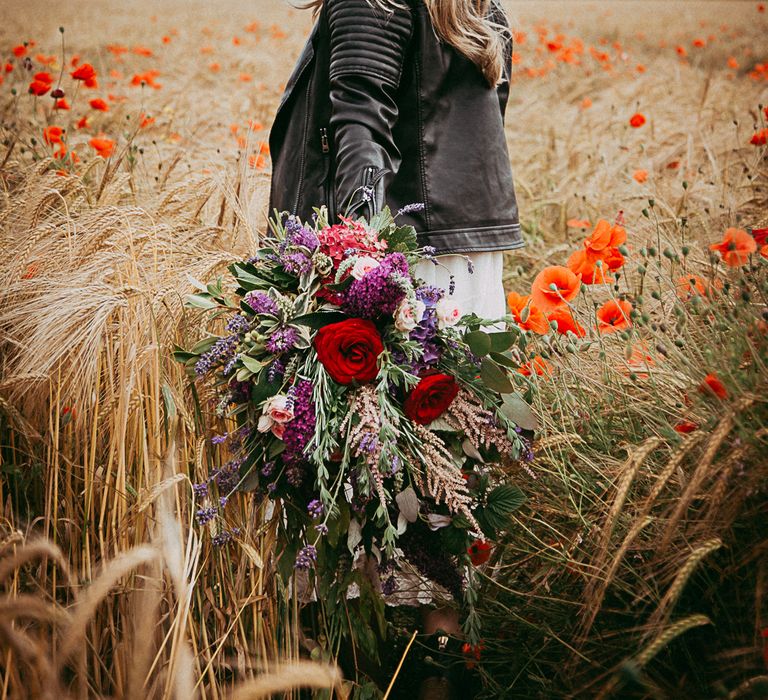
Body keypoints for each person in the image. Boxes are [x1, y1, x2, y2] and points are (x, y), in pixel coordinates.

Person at [266, 0, 523, 695]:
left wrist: (355, 264)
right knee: (438, 497)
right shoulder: (475, 2)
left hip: (393, 268)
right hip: (461, 270)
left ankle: (343, 678)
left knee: (354, 495)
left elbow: (359, 123)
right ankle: (436, 674)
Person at [268, 0, 523, 323]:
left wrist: (358, 249)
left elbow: (361, 129)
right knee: (463, 371)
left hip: (398, 254)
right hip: (466, 247)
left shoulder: (373, 3)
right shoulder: (480, 6)